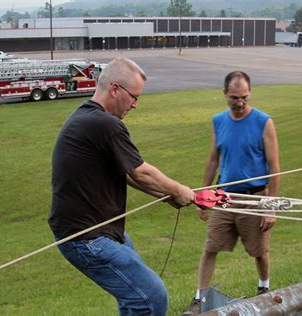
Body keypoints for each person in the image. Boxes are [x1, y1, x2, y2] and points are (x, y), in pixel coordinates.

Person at [48, 58, 194, 315]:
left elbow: (127, 175)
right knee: (150, 297)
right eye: (134, 97)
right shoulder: (106, 124)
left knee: (136, 296)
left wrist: (165, 197)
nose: (136, 104)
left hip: (98, 232)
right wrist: (178, 189)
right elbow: (141, 171)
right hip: (86, 237)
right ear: (115, 89)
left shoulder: (87, 117)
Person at [187, 71, 280, 313]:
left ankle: (264, 288)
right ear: (225, 94)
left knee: (259, 252)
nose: (239, 102)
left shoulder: (264, 122)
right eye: (234, 97)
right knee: (210, 248)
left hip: (254, 198)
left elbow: (274, 167)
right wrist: (202, 197)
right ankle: (200, 299)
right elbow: (212, 160)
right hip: (224, 198)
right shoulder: (218, 121)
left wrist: (270, 208)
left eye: (244, 97)